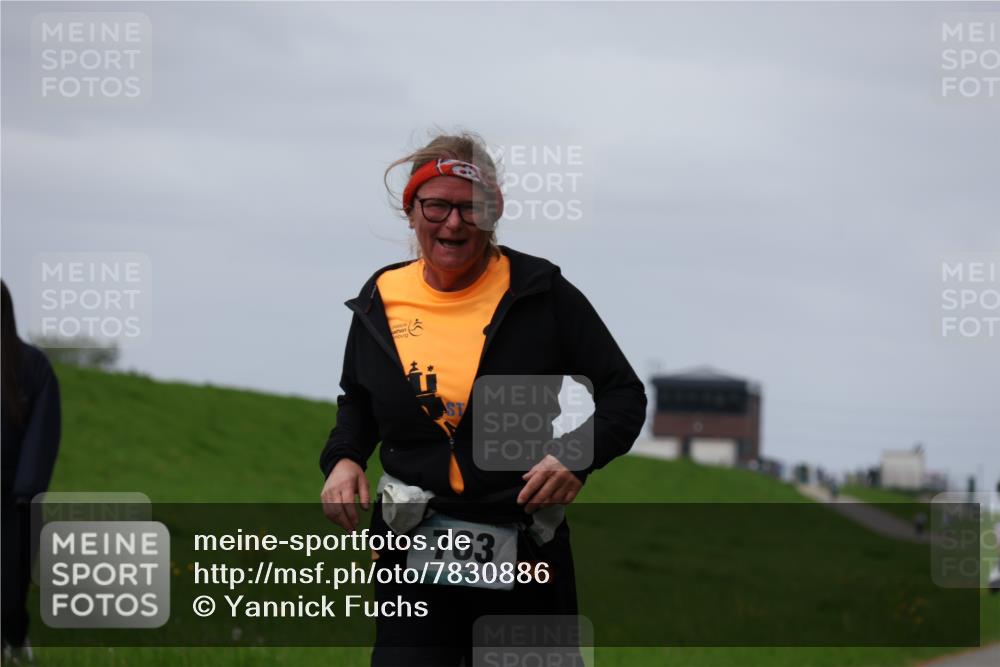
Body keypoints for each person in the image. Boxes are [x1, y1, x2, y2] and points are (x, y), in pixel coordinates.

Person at [319, 131, 646, 666]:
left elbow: (624, 395)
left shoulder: (540, 292)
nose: (453, 223)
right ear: (411, 211)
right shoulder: (383, 296)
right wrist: (344, 457)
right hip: (412, 548)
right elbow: (357, 398)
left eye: (471, 208)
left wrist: (574, 455)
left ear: (494, 214)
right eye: (437, 205)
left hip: (525, 547)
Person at [1, 280, 62, 663]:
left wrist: (27, 489)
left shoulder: (32, 367)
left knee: (9, 590)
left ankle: (14, 640)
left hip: (13, 499)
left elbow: (42, 433)